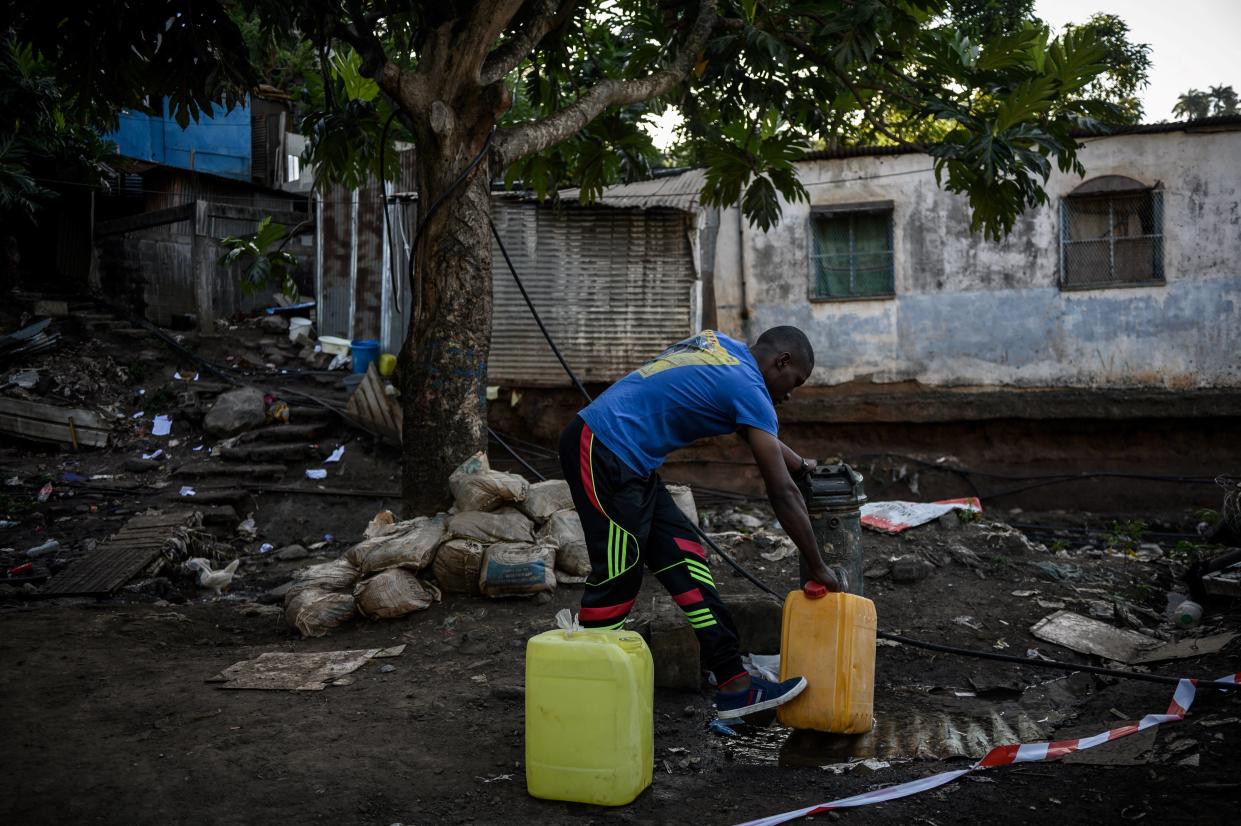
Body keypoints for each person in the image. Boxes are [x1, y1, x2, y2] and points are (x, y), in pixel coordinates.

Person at [558, 326, 844, 719]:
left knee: (688, 566)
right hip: (601, 445)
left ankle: (735, 687)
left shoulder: (722, 346)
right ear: (782, 361)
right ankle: (582, 701)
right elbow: (782, 493)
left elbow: (755, 432)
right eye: (794, 382)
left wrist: (801, 465)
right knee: (619, 572)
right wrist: (819, 565)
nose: (789, 394)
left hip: (634, 462)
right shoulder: (749, 389)